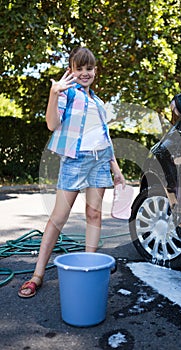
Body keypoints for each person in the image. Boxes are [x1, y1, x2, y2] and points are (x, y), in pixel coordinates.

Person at [18, 47, 125, 298]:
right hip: (75, 162)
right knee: (58, 218)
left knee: (94, 214)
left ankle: (90, 266)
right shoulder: (68, 94)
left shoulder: (98, 103)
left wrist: (117, 171)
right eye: (80, 69)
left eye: (89, 69)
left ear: (95, 71)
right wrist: (54, 94)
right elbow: (52, 124)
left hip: (99, 162)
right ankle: (37, 275)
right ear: (71, 71)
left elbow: (105, 139)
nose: (85, 73)